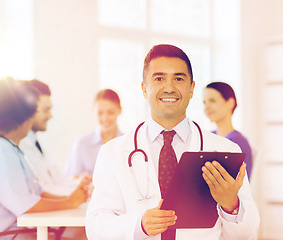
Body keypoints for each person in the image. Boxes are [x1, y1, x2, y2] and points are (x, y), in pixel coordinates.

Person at [85, 44, 260, 240]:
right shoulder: (113, 153)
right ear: (144, 88)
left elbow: (247, 235)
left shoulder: (226, 150)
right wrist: (139, 224)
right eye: (159, 79)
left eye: (178, 79)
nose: (169, 88)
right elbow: (95, 227)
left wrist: (231, 205)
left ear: (192, 89)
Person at [0, 77, 88, 240]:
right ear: (23, 118)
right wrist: (70, 202)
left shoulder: (11, 150)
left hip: (15, 231)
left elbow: (38, 194)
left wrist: (75, 198)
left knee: (84, 232)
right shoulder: (0, 154)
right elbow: (26, 205)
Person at [19, 79, 85, 196]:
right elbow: (40, 190)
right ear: (30, 109)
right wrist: (75, 192)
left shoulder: (36, 143)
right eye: (46, 110)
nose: (50, 116)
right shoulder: (19, 145)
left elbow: (56, 181)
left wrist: (80, 183)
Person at [65, 89, 123, 177]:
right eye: (100, 113)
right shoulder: (81, 144)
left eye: (110, 113)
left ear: (119, 110)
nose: (105, 118)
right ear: (94, 111)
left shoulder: (128, 144)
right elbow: (71, 180)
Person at [203, 82, 253, 179]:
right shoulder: (208, 136)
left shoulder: (238, 142)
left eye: (212, 101)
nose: (206, 107)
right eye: (204, 102)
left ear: (230, 103)